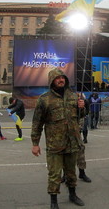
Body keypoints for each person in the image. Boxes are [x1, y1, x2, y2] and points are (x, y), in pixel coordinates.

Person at [31, 68, 86, 208]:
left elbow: (81, 116)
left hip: (72, 143)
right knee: (54, 174)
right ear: (51, 81)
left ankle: (73, 195)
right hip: (54, 144)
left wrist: (83, 107)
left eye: (63, 78)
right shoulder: (44, 99)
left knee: (71, 173)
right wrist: (35, 143)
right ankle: (54, 201)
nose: (61, 80)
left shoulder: (74, 96)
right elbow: (37, 123)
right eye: (57, 78)